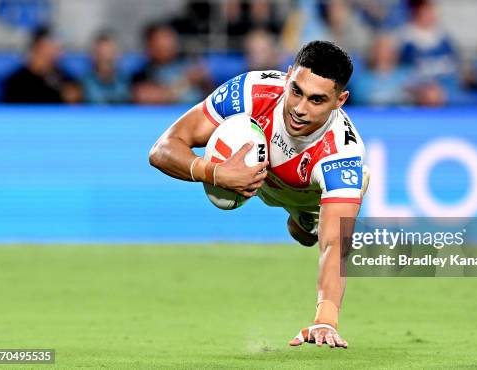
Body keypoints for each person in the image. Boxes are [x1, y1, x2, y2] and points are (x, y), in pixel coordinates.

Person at [149, 41, 369, 348]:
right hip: (258, 175)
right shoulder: (251, 91)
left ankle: (306, 220)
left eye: (317, 100)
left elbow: (334, 246)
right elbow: (162, 149)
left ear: (340, 100)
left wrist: (326, 319)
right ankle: (305, 220)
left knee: (314, 234)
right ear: (288, 75)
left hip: (306, 194)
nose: (300, 108)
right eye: (296, 91)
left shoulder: (342, 154)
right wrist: (212, 172)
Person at [132, 22, 213, 105]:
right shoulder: (143, 72)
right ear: (150, 45)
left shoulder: (189, 64)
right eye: (163, 38)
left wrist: (205, 80)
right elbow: (145, 96)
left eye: (170, 37)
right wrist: (186, 82)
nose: (168, 43)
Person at [399, 0, 459, 106]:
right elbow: (405, 72)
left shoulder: (444, 38)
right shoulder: (406, 39)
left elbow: (452, 67)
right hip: (418, 89)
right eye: (426, 12)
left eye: (431, 12)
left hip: (443, 87)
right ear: (417, 14)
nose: (430, 16)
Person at [2, 26, 81, 104]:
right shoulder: (17, 82)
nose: (59, 51)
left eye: (58, 47)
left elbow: (77, 107)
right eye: (52, 46)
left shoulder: (64, 78)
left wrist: (73, 101)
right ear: (38, 47)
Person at [351, 32, 413, 105]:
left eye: (387, 48)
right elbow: (360, 101)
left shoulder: (406, 75)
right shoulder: (362, 79)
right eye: (379, 48)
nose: (382, 52)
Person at [81, 31, 130, 104]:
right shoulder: (82, 84)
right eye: (100, 54)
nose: (105, 58)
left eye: (109, 53)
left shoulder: (129, 82)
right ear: (92, 56)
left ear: (118, 55)